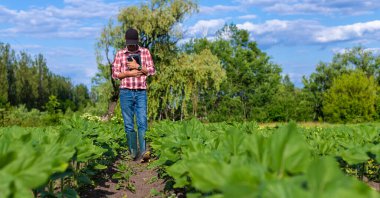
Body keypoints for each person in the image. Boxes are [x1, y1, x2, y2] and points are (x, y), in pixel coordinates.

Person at [112, 28, 155, 162]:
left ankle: (143, 152)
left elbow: (152, 70)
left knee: (142, 121)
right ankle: (133, 152)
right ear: (126, 41)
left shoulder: (145, 52)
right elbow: (114, 74)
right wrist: (128, 73)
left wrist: (138, 67)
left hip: (141, 91)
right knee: (129, 124)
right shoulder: (120, 54)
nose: (131, 45)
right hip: (126, 92)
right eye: (129, 43)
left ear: (137, 41)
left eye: (133, 43)